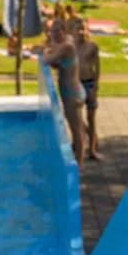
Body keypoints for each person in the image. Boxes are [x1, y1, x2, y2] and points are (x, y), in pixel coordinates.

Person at [41, 22, 85, 166]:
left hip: (73, 93)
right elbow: (57, 62)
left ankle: (79, 164)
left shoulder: (67, 46)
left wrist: (47, 50)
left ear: (62, 31)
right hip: (70, 91)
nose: (52, 34)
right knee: (76, 125)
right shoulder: (65, 44)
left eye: (55, 31)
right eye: (51, 31)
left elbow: (48, 59)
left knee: (76, 130)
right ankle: (79, 154)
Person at [75, 28, 102, 161]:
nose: (81, 32)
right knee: (77, 118)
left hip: (89, 83)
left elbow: (97, 66)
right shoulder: (72, 46)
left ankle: (92, 150)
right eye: (78, 30)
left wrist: (96, 85)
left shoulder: (92, 47)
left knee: (91, 118)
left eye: (83, 30)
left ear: (87, 31)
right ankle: (88, 139)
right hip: (77, 85)